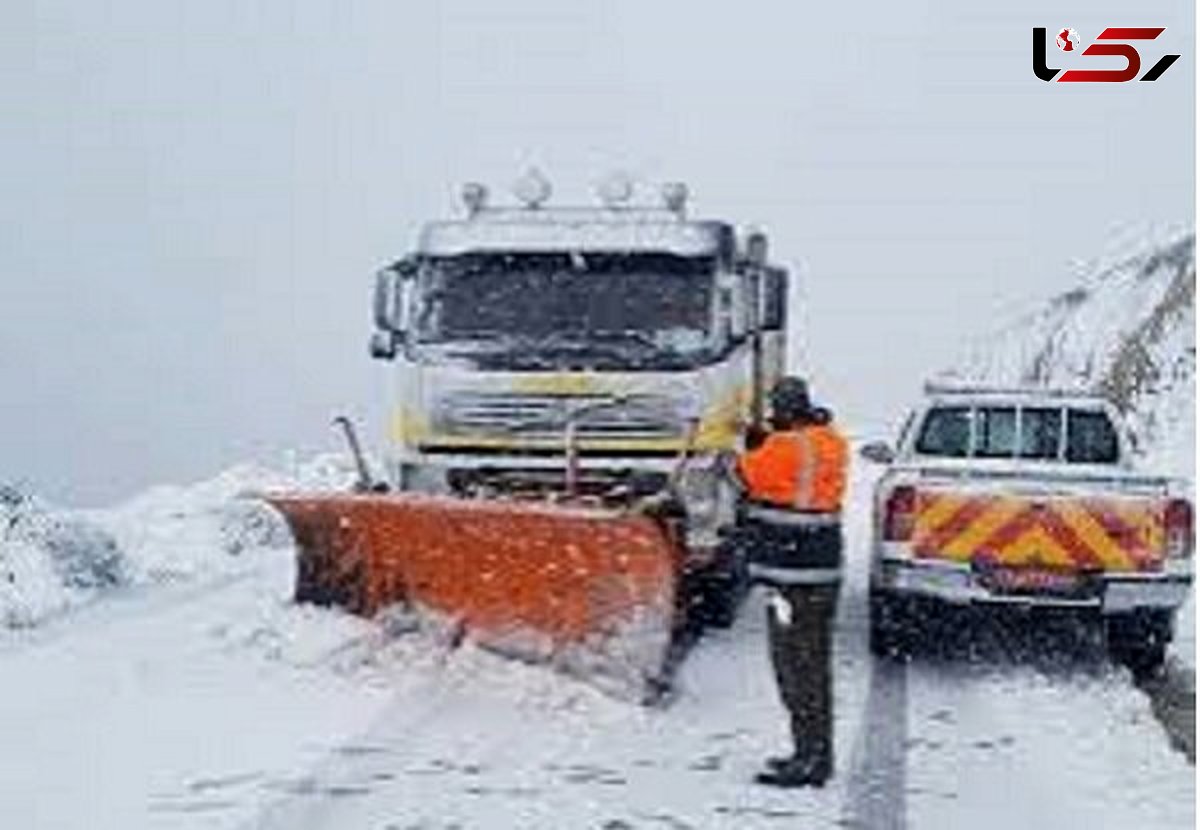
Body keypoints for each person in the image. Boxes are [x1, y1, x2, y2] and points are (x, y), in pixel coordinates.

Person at [735, 376, 848, 788]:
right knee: (814, 668)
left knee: (794, 670)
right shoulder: (832, 441)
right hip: (822, 575)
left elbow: (743, 474)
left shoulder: (780, 449)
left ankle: (810, 760)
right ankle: (815, 753)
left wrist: (752, 443)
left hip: (790, 581)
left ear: (783, 410)